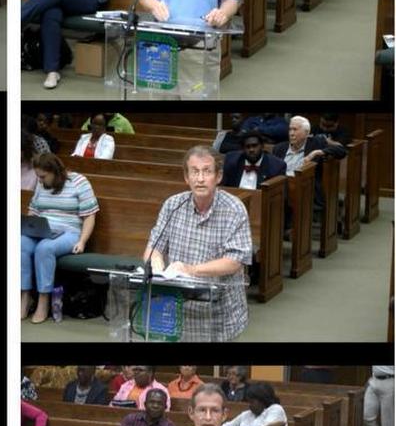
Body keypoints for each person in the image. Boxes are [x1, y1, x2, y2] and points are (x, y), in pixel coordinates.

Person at [142, 146, 252, 341]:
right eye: (194, 171)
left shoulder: (235, 209)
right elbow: (154, 246)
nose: (200, 179)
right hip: (177, 307)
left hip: (218, 311)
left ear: (218, 176)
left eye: (207, 171)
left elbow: (234, 261)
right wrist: (156, 265)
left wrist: (189, 269)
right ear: (186, 177)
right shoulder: (172, 205)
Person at [21, 152, 98, 323]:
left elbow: (90, 216)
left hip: (69, 232)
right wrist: (28, 226)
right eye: (37, 177)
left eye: (42, 176)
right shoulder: (42, 185)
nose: (39, 181)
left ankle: (43, 299)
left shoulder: (79, 182)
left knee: (44, 248)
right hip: (42, 230)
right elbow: (33, 211)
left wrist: (82, 241)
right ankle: (24, 296)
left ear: (55, 171)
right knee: (20, 244)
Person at [272, 116, 347, 211]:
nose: (291, 133)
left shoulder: (316, 143)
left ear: (306, 132)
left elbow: (342, 151)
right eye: (290, 129)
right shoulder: (279, 148)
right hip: (281, 189)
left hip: (307, 190)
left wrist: (317, 152)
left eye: (295, 130)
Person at [222, 130, 287, 189]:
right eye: (248, 147)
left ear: (262, 146)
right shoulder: (232, 161)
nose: (251, 150)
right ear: (242, 149)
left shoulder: (276, 166)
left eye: (255, 145)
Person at [224, 381, 288, 426]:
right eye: (248, 402)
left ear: (262, 400)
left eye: (252, 402)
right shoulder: (248, 414)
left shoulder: (276, 409)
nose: (249, 405)